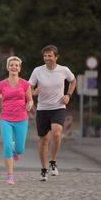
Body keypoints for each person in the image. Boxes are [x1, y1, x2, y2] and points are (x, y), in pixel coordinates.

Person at [28, 45, 76, 181]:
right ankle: (44, 169)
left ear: (56, 57)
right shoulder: (38, 71)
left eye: (50, 56)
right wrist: (33, 93)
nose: (47, 58)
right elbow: (28, 88)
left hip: (58, 107)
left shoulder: (64, 70)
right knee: (43, 140)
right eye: (45, 56)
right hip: (42, 109)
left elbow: (73, 81)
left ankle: (53, 161)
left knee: (56, 133)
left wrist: (68, 95)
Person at [0, 56, 33, 184]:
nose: (14, 67)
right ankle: (10, 175)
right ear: (8, 67)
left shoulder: (25, 84)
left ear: (19, 68)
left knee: (20, 149)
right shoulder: (1, 85)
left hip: (21, 118)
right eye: (11, 65)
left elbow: (30, 99)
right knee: (7, 146)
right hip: (6, 118)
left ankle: (17, 149)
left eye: (16, 65)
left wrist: (29, 104)